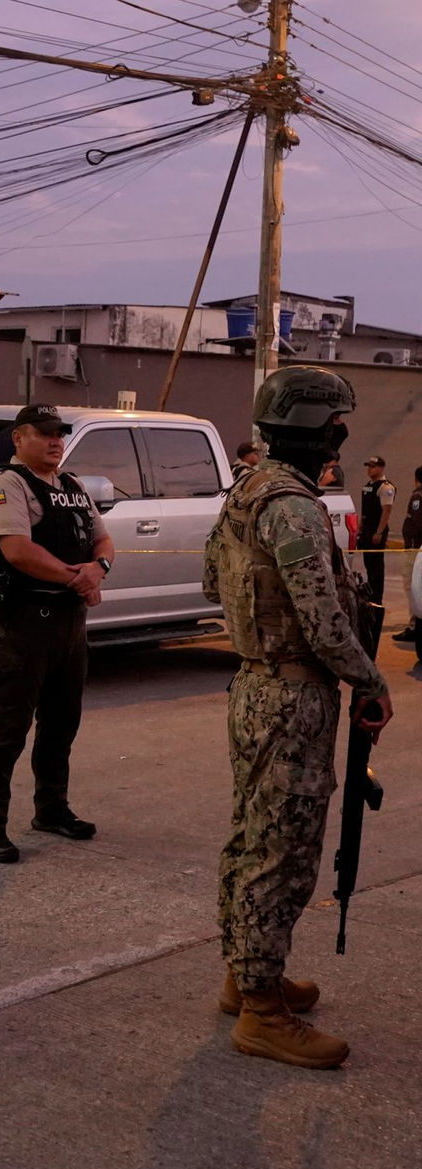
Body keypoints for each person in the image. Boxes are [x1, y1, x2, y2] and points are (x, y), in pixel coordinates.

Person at [203, 366, 392, 1070]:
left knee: (252, 835)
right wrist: (372, 681)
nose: (342, 435)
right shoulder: (293, 506)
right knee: (281, 848)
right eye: (336, 424)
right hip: (292, 695)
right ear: (316, 428)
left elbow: (209, 581)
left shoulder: (248, 492)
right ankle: (260, 1011)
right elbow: (322, 621)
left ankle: (247, 972)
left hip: (255, 686)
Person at [0, 404, 115, 864]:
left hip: (69, 625)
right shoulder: (5, 485)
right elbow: (16, 551)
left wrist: (99, 567)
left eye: (60, 434)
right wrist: (78, 579)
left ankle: (51, 809)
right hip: (22, 621)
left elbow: (102, 540)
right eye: (45, 433)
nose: (56, 441)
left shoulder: (71, 486)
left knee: (61, 723)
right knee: (8, 728)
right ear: (19, 438)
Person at [357, 455, 394, 604]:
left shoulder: (386, 487)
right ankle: (371, 594)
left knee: (376, 567)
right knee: (369, 564)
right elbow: (364, 510)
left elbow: (387, 511)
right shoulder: (368, 485)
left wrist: (379, 532)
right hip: (366, 530)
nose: (369, 469)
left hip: (376, 531)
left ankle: (377, 598)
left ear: (381, 468)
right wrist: (359, 529)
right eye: (368, 466)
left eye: (373, 467)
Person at [392, 465, 422, 642]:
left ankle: (414, 627)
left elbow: (418, 523)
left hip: (415, 550)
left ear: (416, 478)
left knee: (412, 587)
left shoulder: (418, 496)